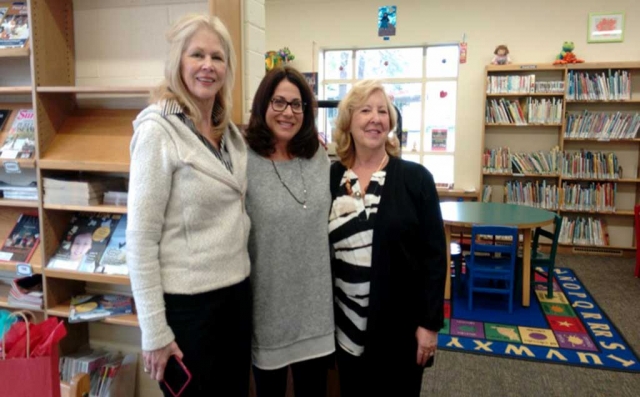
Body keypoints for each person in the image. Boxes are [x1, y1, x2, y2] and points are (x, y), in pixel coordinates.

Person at [127, 13, 251, 396]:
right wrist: (155, 331)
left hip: (235, 299)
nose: (208, 66)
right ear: (178, 62)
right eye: (197, 54)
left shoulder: (227, 132)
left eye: (217, 57)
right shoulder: (157, 132)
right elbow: (141, 240)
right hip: (189, 310)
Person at [329, 80, 447, 396]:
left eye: (383, 111)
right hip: (346, 330)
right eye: (365, 110)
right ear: (348, 121)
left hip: (401, 331)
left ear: (391, 122)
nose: (375, 118)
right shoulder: (331, 178)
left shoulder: (415, 179)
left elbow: (435, 257)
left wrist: (429, 325)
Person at [244, 65, 335, 397]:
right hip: (268, 315)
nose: (288, 112)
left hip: (316, 314)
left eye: (297, 105)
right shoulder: (244, 161)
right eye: (279, 102)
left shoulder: (318, 158)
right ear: (263, 104)